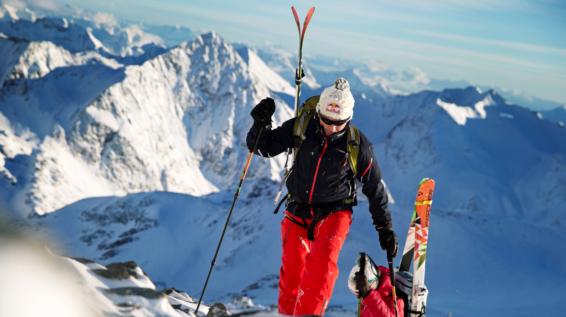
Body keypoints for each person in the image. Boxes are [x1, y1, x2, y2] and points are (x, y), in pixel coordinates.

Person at [246, 78, 398, 317]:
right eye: (326, 120)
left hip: (335, 212)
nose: (331, 127)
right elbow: (262, 147)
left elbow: (374, 187)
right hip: (299, 206)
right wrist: (260, 123)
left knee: (321, 266)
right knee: (293, 269)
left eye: (338, 123)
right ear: (318, 113)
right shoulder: (303, 126)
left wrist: (385, 228)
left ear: (347, 120)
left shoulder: (357, 145)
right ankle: (286, 314)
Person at [348, 253, 404, 317]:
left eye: (360, 290)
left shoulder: (394, 301)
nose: (358, 295)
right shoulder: (366, 303)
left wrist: (368, 294)